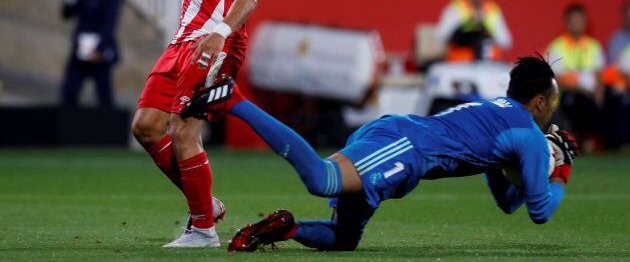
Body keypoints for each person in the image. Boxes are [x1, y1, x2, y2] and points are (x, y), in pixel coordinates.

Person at [182, 56, 578, 252]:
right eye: (554, 99)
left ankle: (286, 228)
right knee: (322, 179)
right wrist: (560, 172)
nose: (555, 106)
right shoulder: (526, 136)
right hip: (403, 147)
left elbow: (509, 203)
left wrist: (534, 173)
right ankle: (234, 100)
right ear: (541, 101)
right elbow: (539, 212)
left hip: (401, 139)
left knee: (344, 239)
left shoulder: (498, 115)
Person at [130, 0, 276, 248]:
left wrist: (220, 33)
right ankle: (204, 203)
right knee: (145, 127)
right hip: (184, 39)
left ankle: (203, 230)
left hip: (216, 41)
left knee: (183, 129)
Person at [60, 0, 121, 108]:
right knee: (69, 93)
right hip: (80, 51)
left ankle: (109, 129)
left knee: (104, 96)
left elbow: (110, 23)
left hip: (99, 52)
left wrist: (100, 48)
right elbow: (66, 13)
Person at [547, 4, 605, 151]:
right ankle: (578, 139)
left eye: (580, 20)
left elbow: (599, 75)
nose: (577, 24)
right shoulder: (557, 47)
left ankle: (594, 140)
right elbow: (556, 79)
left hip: (589, 96)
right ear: (566, 22)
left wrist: (599, 95)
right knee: (576, 100)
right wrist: (580, 88)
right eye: (573, 21)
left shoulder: (594, 46)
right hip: (566, 96)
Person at [435, 0, 512, 61]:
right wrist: (467, 23)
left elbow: (506, 42)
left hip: (489, 65)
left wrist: (487, 30)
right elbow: (441, 37)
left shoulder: (492, 9)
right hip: (461, 64)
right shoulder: (455, 8)